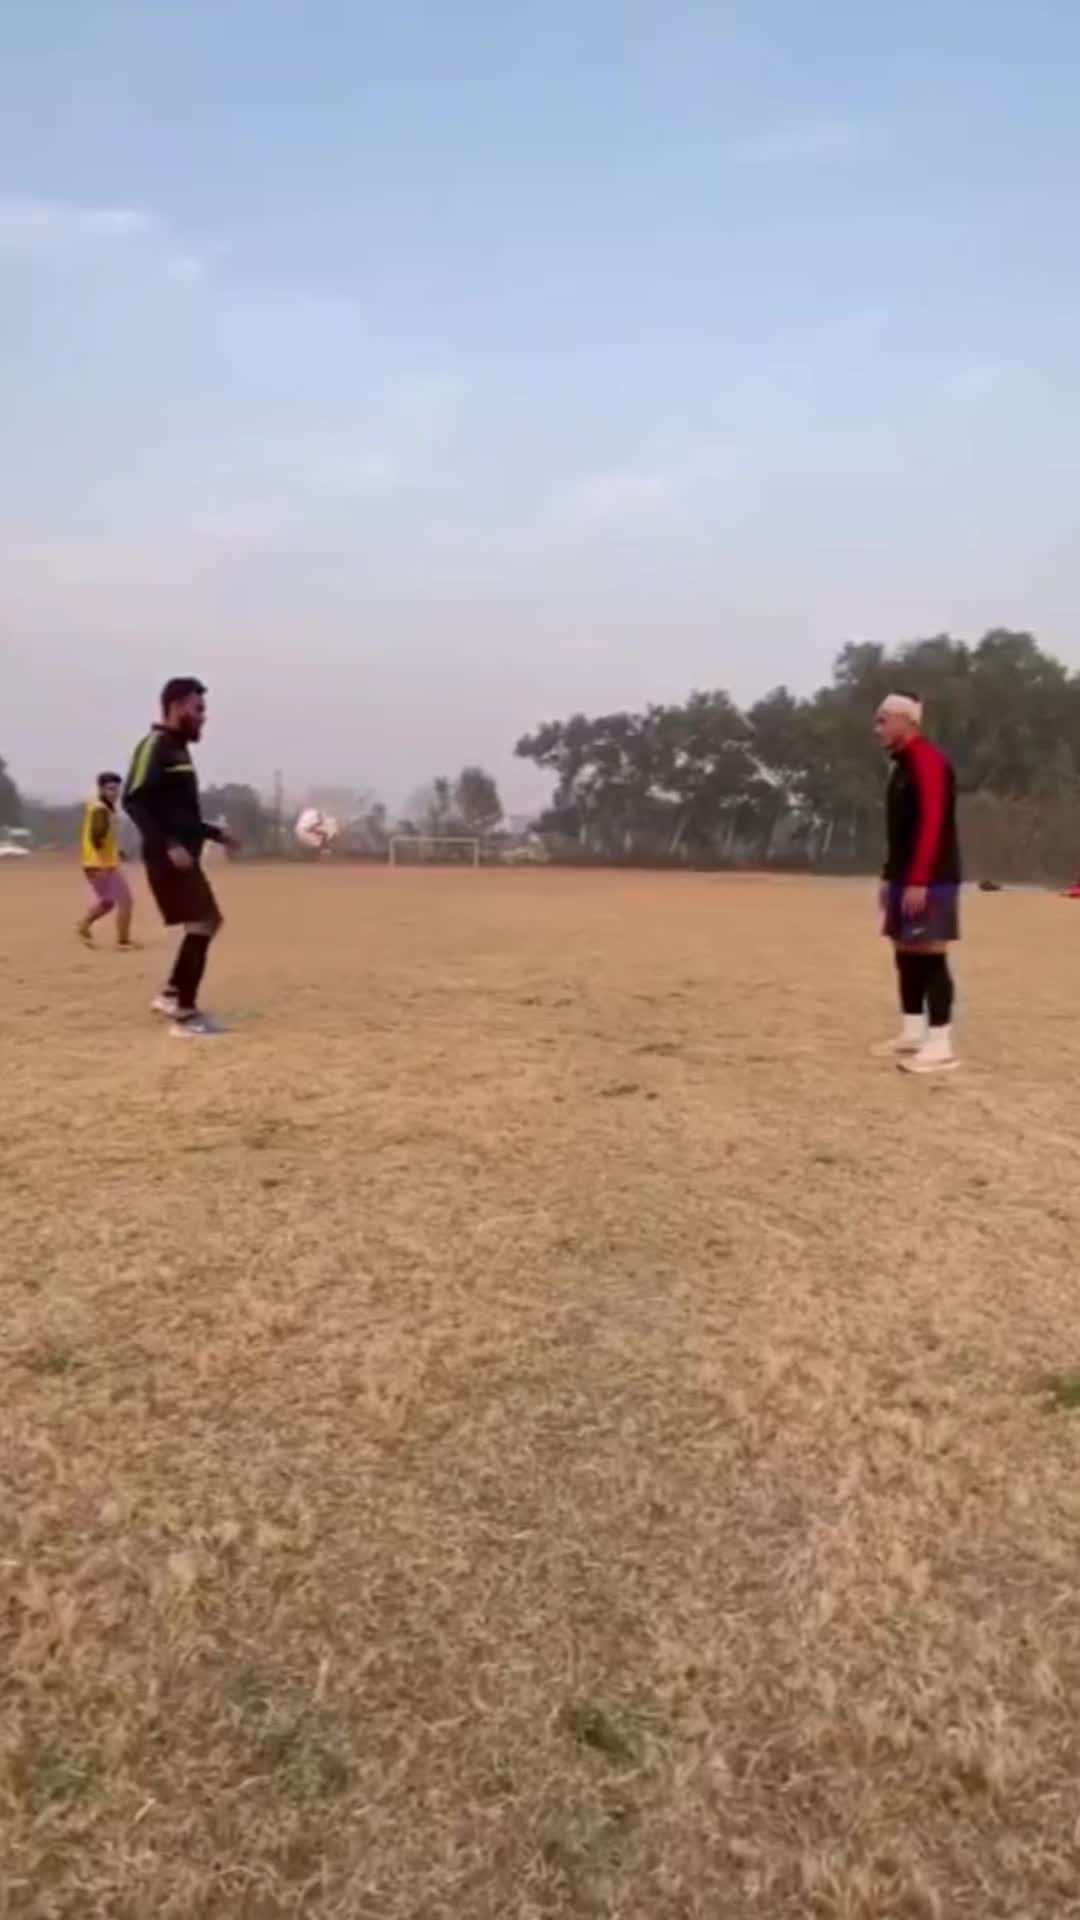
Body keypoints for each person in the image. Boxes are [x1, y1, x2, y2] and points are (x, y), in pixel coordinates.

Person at [123, 677, 238, 1037]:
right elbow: (134, 800)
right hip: (168, 856)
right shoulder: (155, 745)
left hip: (183, 854)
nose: (203, 716)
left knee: (205, 923)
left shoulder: (178, 749)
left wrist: (216, 834)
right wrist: (170, 844)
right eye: (197, 708)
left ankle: (172, 994)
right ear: (175, 707)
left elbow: (180, 815)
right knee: (204, 922)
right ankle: (185, 1016)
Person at [873, 691, 962, 1074]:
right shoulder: (901, 766)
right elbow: (899, 832)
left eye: (882, 720)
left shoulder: (929, 761)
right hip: (904, 876)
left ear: (906, 721)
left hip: (931, 877)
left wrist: (920, 879)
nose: (877, 728)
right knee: (905, 951)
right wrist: (889, 876)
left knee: (930, 954)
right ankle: (912, 1032)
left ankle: (941, 1045)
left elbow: (932, 823)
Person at [77, 771, 135, 949]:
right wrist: (105, 855)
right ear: (101, 789)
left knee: (108, 902)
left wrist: (116, 852)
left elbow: (102, 837)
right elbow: (97, 836)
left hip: (95, 863)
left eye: (116, 789)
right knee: (125, 900)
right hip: (101, 865)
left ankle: (83, 926)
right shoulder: (101, 809)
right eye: (110, 789)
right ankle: (123, 941)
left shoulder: (102, 807)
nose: (114, 793)